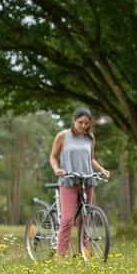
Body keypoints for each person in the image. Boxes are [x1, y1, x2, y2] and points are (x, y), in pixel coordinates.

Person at [48, 107, 111, 256]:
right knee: (68, 219)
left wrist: (101, 169)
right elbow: (53, 156)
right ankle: (60, 254)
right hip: (69, 181)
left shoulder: (90, 138)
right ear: (74, 120)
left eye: (86, 123)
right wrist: (56, 168)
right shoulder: (62, 136)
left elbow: (91, 159)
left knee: (85, 218)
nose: (83, 126)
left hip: (87, 181)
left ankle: (85, 252)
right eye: (80, 122)